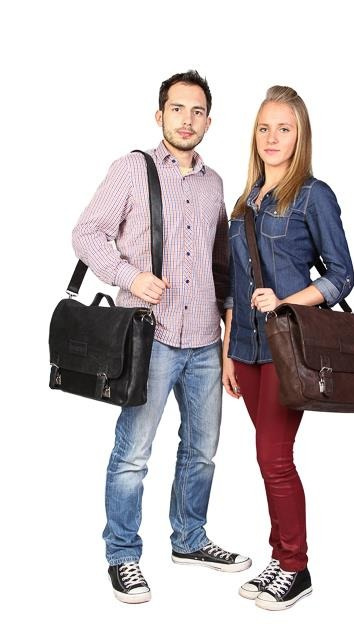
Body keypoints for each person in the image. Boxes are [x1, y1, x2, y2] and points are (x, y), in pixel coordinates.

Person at [72, 70, 251, 604]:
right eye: (178, 109)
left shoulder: (215, 183)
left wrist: (227, 340)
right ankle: (122, 555)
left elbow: (222, 267)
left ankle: (190, 539)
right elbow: (86, 233)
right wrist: (130, 277)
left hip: (204, 341)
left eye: (197, 112)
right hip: (149, 338)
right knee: (134, 453)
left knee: (202, 453)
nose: (187, 120)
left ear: (209, 122)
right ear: (160, 115)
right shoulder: (133, 169)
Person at [222, 86, 354, 611]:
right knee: (268, 457)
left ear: (300, 136)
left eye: (284, 128)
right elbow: (235, 284)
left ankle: (296, 567)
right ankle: (279, 558)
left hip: (289, 346)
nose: (272, 138)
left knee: (274, 458)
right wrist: (229, 350)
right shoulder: (245, 202)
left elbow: (341, 276)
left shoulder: (313, 195)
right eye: (264, 128)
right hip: (247, 349)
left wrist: (284, 302)